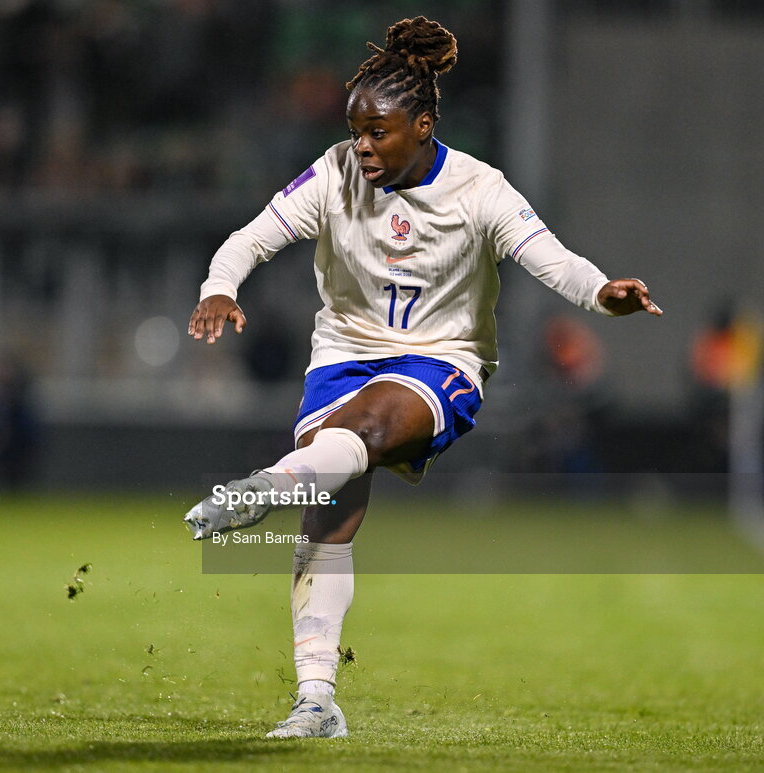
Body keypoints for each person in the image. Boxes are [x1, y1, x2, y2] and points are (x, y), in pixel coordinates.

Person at [183, 16, 662, 739]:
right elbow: (252, 237)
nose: (363, 146)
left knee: (365, 431)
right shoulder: (335, 170)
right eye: (356, 130)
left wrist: (601, 294)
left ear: (424, 125)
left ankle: (270, 486)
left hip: (443, 362)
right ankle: (317, 701)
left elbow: (553, 259)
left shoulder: (480, 189)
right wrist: (220, 286)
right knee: (330, 518)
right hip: (342, 356)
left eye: (378, 132)